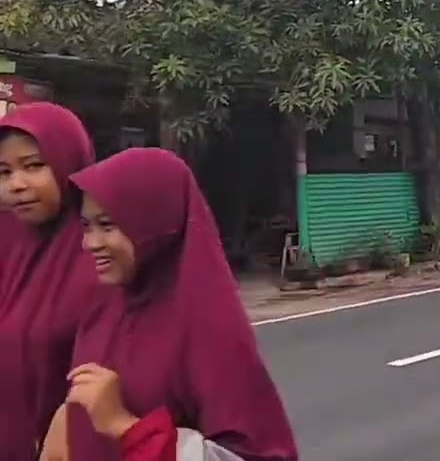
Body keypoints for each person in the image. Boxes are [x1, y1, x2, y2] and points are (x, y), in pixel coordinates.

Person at [59, 147, 298, 461]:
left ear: (154, 225)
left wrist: (126, 427)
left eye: (108, 225)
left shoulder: (210, 331)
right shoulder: (103, 309)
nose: (90, 243)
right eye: (87, 226)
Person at [0, 102, 98, 460]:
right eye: (4, 172)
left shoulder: (102, 253)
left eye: (34, 166)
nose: (17, 184)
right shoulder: (10, 247)